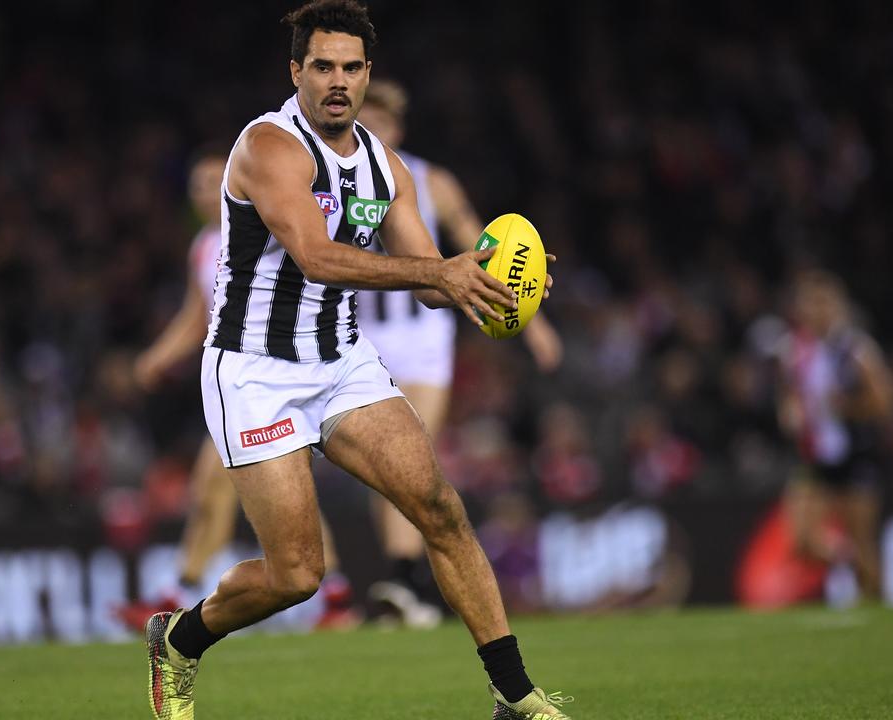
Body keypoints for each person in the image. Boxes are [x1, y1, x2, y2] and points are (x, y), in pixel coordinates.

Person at [145, 3, 573, 719]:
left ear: (368, 75)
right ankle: (180, 639)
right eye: (323, 67)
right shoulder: (268, 148)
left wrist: (494, 284)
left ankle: (515, 696)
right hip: (254, 373)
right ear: (296, 72)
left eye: (350, 67)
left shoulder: (387, 168)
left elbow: (430, 278)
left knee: (440, 508)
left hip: (340, 362)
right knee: (296, 575)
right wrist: (439, 275)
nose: (337, 81)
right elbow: (315, 258)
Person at [121, 149, 358, 630]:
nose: (205, 192)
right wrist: (158, 357)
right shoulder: (204, 248)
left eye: (213, 181)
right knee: (264, 493)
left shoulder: (266, 230)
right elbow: (197, 315)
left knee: (223, 485)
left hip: (280, 378)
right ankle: (336, 598)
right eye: (196, 186)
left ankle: (177, 596)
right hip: (242, 386)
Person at [355, 80, 563, 628]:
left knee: (412, 449)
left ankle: (407, 581)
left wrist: (531, 317)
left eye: (383, 122)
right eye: (365, 119)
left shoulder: (430, 181)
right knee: (387, 457)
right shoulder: (335, 174)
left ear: (398, 129)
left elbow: (482, 245)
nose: (374, 129)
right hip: (362, 336)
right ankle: (408, 579)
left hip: (424, 336)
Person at [777, 269, 893, 601]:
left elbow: (886, 402)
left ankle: (879, 607)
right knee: (802, 541)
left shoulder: (855, 349)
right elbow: (790, 396)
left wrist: (849, 406)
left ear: (837, 306)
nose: (816, 310)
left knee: (862, 538)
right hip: (815, 456)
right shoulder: (795, 350)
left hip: (855, 455)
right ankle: (851, 563)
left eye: (823, 303)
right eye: (810, 303)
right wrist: (790, 413)